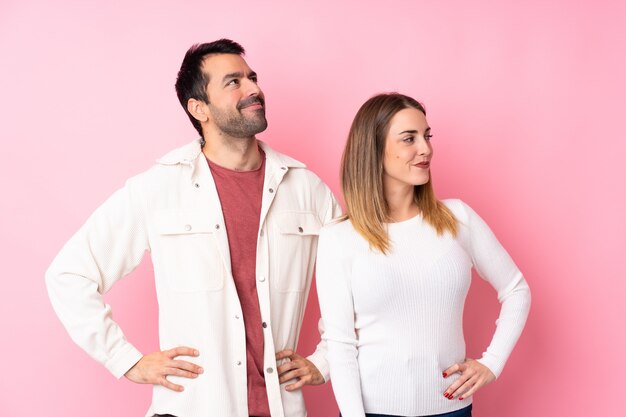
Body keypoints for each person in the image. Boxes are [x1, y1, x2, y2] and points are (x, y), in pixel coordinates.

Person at [45, 39, 340, 417]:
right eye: (233, 82)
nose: (253, 89)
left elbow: (359, 283)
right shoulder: (158, 188)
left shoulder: (307, 189)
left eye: (252, 78)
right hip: (192, 407)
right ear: (198, 108)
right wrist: (126, 360)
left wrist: (326, 360)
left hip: (282, 407)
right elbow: (69, 274)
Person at [316, 93, 531, 417]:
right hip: (375, 412)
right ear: (374, 150)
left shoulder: (458, 218)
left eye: (427, 136)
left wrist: (492, 363)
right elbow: (341, 344)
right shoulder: (339, 238)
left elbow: (516, 290)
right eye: (409, 139)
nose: (426, 148)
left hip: (452, 409)